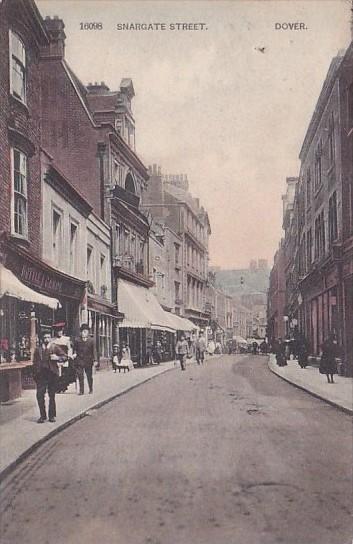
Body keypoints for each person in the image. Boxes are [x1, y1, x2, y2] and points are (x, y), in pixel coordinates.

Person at [32, 331, 66, 423]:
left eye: (48, 337)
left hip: (51, 374)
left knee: (52, 395)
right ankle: (42, 416)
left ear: (50, 338)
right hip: (41, 375)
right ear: (42, 338)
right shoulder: (38, 349)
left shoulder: (54, 347)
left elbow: (65, 356)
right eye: (45, 337)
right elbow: (35, 362)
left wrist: (57, 358)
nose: (46, 339)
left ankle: (51, 416)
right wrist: (35, 374)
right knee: (39, 395)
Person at [73, 324, 98, 395]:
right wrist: (74, 354)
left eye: (86, 331)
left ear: (88, 332)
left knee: (89, 376)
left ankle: (91, 388)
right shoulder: (77, 340)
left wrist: (95, 360)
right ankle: (81, 391)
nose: (84, 333)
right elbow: (75, 349)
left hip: (88, 361)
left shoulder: (91, 340)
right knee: (80, 376)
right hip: (79, 360)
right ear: (81, 332)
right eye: (83, 331)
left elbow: (94, 351)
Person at [51, 322, 74, 393]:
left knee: (64, 373)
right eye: (58, 331)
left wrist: (69, 355)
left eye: (60, 331)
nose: (59, 332)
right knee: (56, 373)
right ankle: (57, 388)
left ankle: (63, 387)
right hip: (56, 358)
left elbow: (69, 348)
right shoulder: (53, 340)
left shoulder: (66, 339)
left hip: (64, 357)